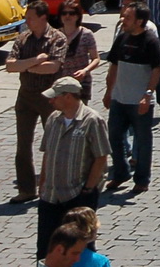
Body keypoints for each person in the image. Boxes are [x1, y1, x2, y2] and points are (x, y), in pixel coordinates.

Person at [34, 77, 107, 258]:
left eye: (55, 97)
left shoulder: (92, 120)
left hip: (77, 195)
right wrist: (42, 183)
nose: (51, 101)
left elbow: (101, 157)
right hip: (50, 195)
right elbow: (47, 153)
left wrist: (88, 189)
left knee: (81, 246)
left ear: (68, 96)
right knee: (45, 247)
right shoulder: (53, 119)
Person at [101, 0, 160, 194]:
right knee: (114, 137)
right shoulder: (121, 38)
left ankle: (142, 179)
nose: (123, 20)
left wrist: (148, 95)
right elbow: (114, 66)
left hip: (139, 101)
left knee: (143, 141)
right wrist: (108, 91)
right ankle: (120, 174)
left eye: (128, 17)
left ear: (140, 21)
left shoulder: (151, 41)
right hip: (119, 98)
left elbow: (157, 69)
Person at [8, 3, 66, 205]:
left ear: (43, 18)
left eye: (30, 17)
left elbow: (52, 67)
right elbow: (9, 66)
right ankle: (26, 190)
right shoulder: (23, 38)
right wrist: (35, 61)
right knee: (22, 145)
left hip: (49, 97)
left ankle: (51, 186)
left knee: (52, 144)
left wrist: (24, 66)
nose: (27, 21)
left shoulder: (57, 38)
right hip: (25, 96)